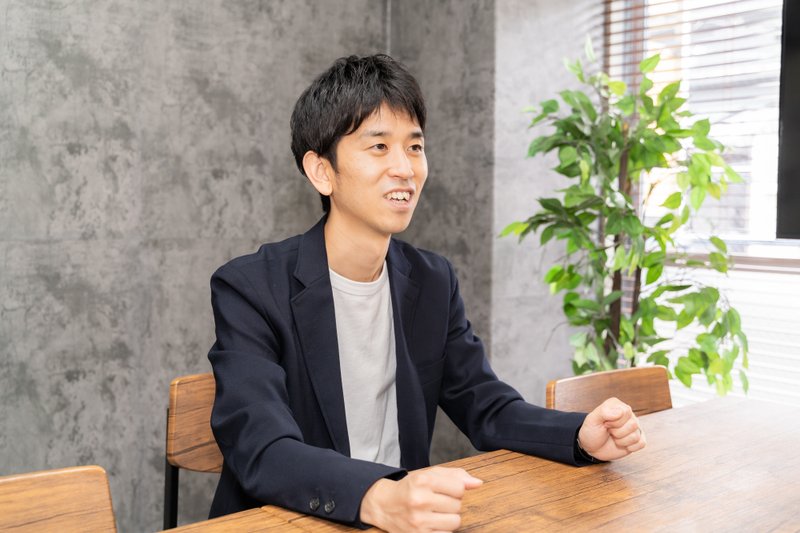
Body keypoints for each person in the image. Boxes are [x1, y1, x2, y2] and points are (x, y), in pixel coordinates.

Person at [207, 54, 646, 532]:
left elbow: (485, 406)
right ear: (321, 171)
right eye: (379, 146)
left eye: (414, 147)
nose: (405, 168)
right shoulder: (250, 287)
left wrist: (578, 435)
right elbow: (263, 449)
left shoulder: (432, 280)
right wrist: (377, 496)